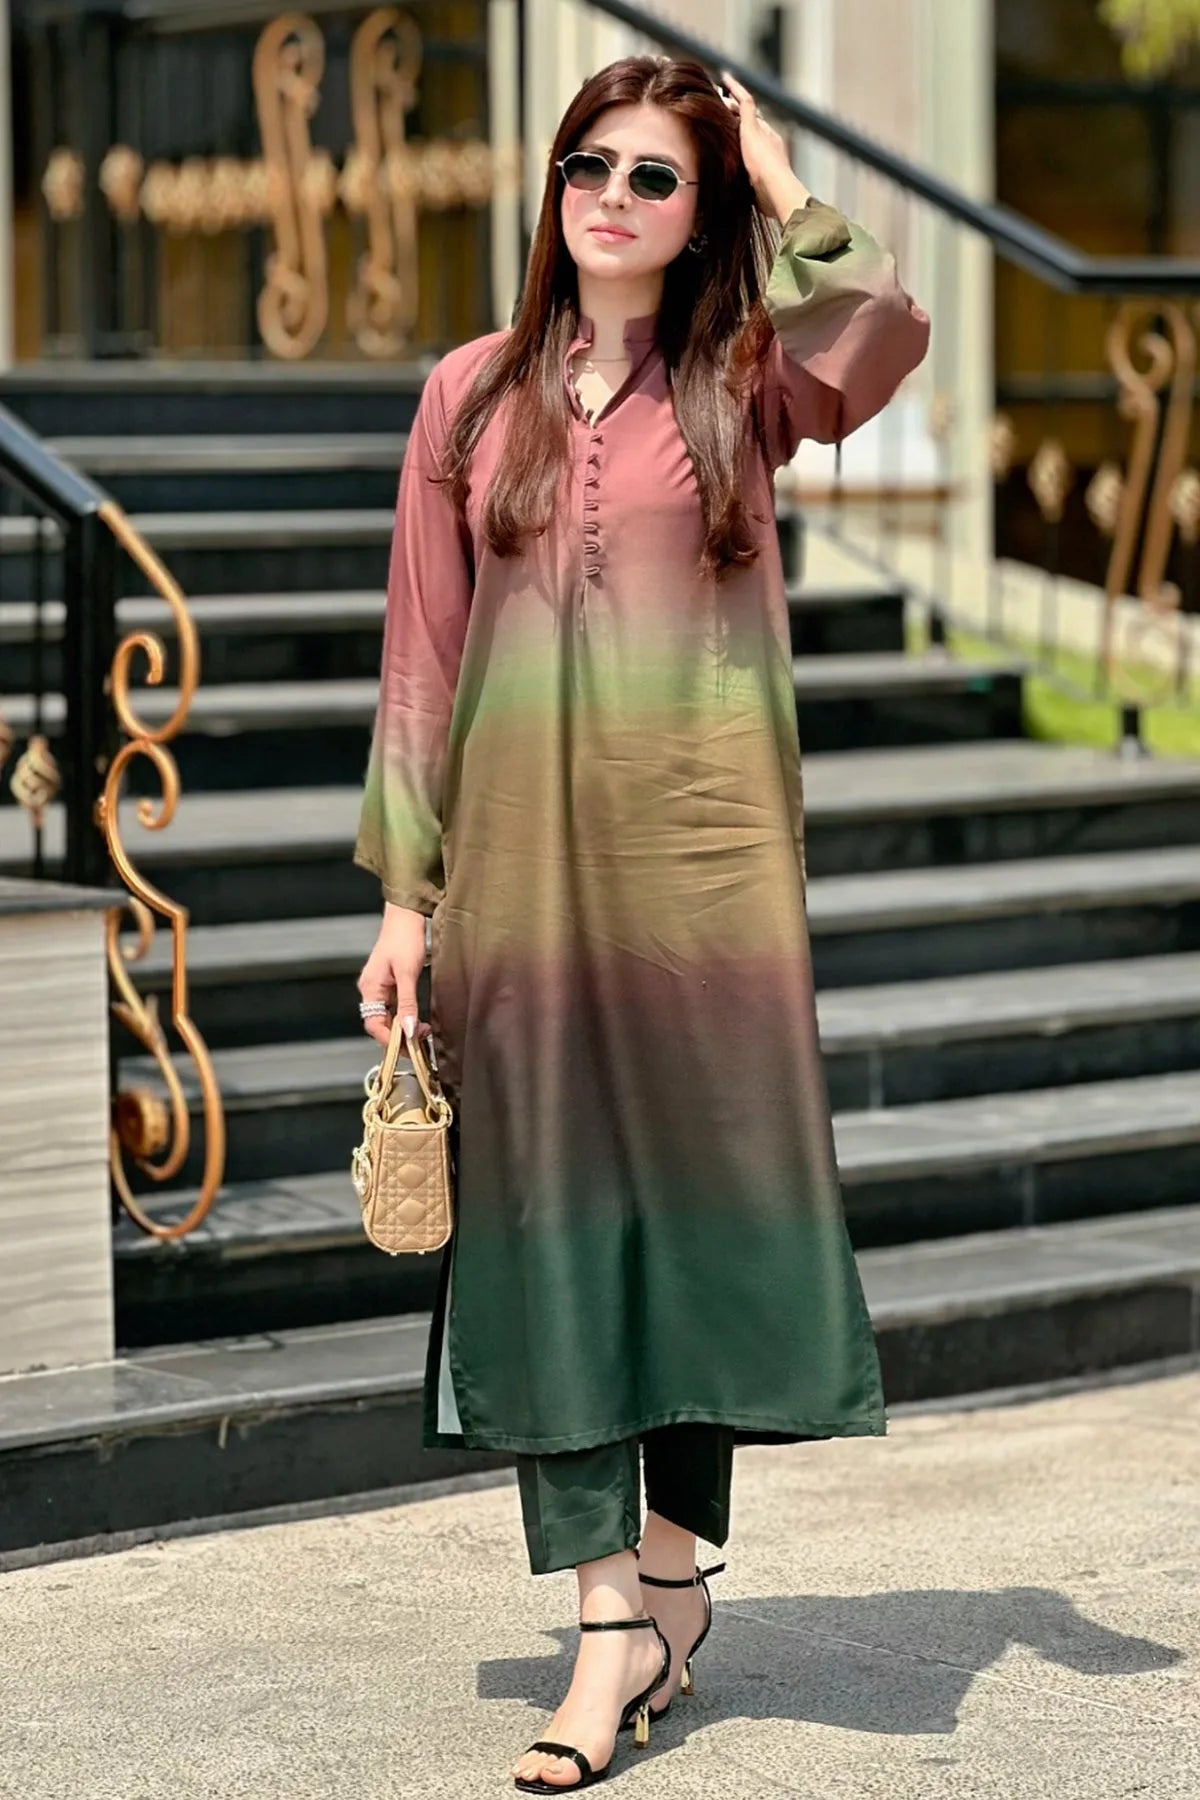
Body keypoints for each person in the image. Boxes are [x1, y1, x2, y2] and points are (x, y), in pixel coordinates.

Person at [354, 53, 930, 1793]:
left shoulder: (745, 385)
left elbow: (881, 327)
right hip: (522, 888)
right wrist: (406, 895)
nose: (611, 194)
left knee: (682, 1222)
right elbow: (423, 655)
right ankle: (609, 1616)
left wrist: (770, 164)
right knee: (546, 1232)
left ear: (699, 218)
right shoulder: (468, 394)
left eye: (654, 176)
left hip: (706, 883)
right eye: (586, 164)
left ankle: (674, 1577)